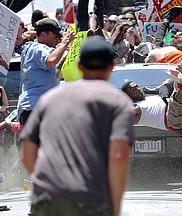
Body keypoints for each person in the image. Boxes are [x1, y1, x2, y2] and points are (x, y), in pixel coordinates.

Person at [20, 36, 134, 216]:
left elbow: (27, 153)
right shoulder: (118, 103)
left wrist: (49, 185)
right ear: (112, 67)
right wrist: (115, 208)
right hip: (90, 199)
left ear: (79, 65)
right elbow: (119, 156)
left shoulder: (49, 99)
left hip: (46, 200)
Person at [17, 18, 75, 126]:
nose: (58, 40)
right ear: (43, 35)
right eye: (55, 37)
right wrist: (65, 41)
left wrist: (66, 49)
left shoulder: (31, 49)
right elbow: (51, 61)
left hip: (31, 108)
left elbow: (56, 71)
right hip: (36, 108)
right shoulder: (39, 48)